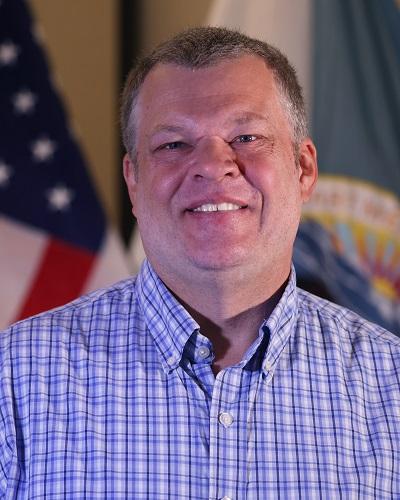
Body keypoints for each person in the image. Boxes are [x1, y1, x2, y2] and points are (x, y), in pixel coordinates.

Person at [1, 26, 399, 499]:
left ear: (304, 170)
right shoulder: (14, 382)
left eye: (247, 136)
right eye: (173, 144)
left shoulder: (391, 386)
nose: (213, 164)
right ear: (133, 181)